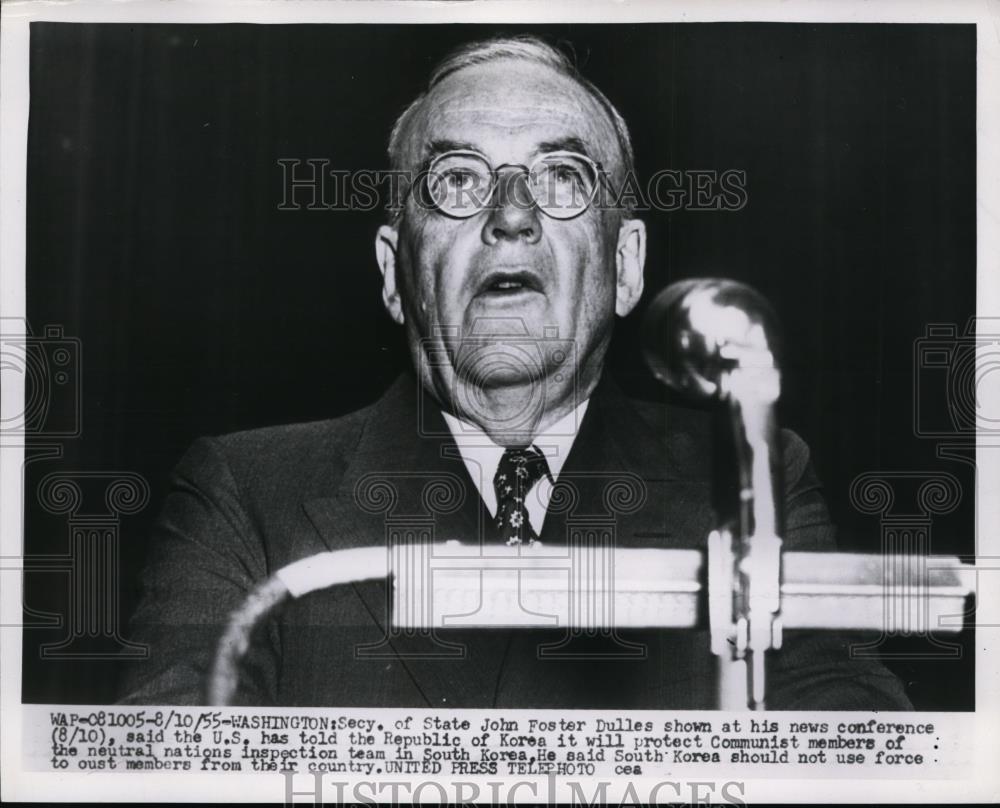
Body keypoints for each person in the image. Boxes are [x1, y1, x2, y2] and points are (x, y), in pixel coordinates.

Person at [118, 35, 911, 709]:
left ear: (626, 266)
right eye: (457, 180)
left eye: (563, 177)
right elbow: (170, 771)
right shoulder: (246, 498)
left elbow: (861, 752)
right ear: (395, 275)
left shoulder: (745, 480)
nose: (511, 214)